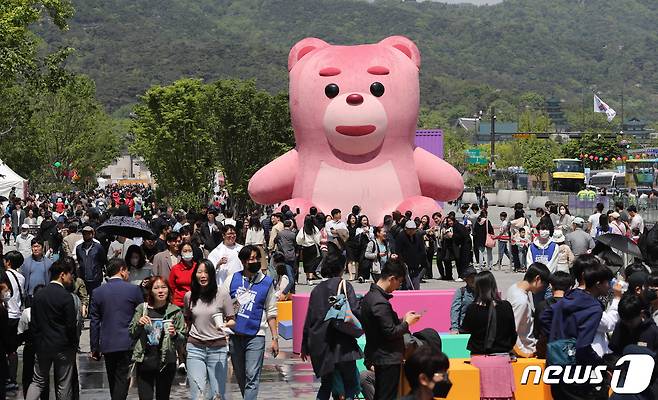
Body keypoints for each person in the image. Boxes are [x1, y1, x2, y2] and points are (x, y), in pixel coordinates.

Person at [540, 255, 613, 399]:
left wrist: (559, 341)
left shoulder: (569, 296)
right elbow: (583, 346)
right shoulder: (593, 308)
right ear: (598, 283)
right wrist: (602, 366)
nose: (609, 286)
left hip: (556, 366)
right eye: (607, 283)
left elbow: (545, 317)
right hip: (579, 373)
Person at [301, 244, 363, 400]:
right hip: (342, 344)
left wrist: (304, 346)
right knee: (350, 384)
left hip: (322, 344)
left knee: (326, 384)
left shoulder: (317, 289)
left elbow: (310, 318)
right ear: (341, 267)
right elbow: (354, 311)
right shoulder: (344, 285)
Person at [222, 245, 278, 400]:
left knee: (252, 375)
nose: (256, 261)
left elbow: (271, 312)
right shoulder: (232, 279)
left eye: (257, 258)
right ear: (243, 261)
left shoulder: (267, 283)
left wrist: (274, 338)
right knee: (241, 376)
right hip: (235, 334)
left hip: (256, 335)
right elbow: (221, 304)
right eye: (252, 259)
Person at [360, 259, 422, 399]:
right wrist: (406, 323)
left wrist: (403, 320)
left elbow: (383, 326)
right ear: (392, 278)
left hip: (380, 356)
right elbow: (390, 332)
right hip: (387, 358)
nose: (399, 285)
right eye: (399, 281)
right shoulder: (379, 302)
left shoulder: (370, 298)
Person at [89, 258, 144, 400]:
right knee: (122, 381)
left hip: (107, 343)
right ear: (122, 270)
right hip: (127, 342)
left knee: (113, 380)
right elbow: (141, 315)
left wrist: (94, 347)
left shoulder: (97, 292)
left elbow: (94, 322)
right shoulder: (134, 290)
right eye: (127, 271)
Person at [25, 260, 78, 400]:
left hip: (43, 346)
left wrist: (37, 342)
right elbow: (71, 325)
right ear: (62, 275)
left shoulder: (39, 295)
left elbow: (34, 324)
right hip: (63, 346)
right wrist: (73, 344)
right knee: (64, 384)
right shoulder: (66, 297)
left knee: (37, 382)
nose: (71, 277)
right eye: (69, 274)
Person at [460, 271, 517, 400]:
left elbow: (464, 329)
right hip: (502, 360)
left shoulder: (472, 309)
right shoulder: (506, 306)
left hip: (478, 360)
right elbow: (513, 333)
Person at [184, 260, 235, 400]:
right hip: (195, 347)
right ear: (195, 275)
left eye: (206, 272)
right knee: (198, 395)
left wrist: (224, 325)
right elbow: (187, 319)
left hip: (217, 348)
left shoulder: (222, 294)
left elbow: (232, 320)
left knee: (217, 395)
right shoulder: (189, 296)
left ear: (212, 275)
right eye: (199, 272)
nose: (203, 275)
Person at [129, 276, 186, 400]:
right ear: (150, 291)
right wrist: (139, 323)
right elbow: (132, 333)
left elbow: (183, 338)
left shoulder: (175, 311)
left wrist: (175, 334)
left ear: (168, 290)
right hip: (145, 360)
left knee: (163, 397)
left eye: (164, 287)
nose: (160, 291)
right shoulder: (142, 309)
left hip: (166, 361)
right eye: (156, 288)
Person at [506, 263, 550, 358]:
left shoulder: (514, 288)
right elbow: (512, 330)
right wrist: (523, 353)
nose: (543, 289)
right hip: (525, 351)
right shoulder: (521, 301)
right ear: (537, 279)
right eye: (544, 285)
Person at [534, 271, 574, 359]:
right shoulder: (574, 306)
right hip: (569, 351)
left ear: (551, 286)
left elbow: (537, 333)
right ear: (570, 287)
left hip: (546, 351)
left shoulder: (542, 306)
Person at [3, 251, 25, 392]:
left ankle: (7, 378)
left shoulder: (4, 276)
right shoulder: (21, 277)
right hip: (17, 315)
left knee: (5, 350)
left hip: (7, 316)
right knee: (13, 350)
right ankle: (12, 378)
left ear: (9, 262)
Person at [395, 220, 429, 290]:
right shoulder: (400, 236)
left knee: (415, 285)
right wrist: (402, 262)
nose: (411, 231)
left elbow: (422, 250)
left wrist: (422, 262)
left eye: (413, 229)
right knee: (406, 284)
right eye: (409, 229)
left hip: (416, 265)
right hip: (404, 265)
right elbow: (398, 251)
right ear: (405, 229)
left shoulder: (418, 236)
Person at [76, 226, 107, 301]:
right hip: (83, 279)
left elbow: (103, 260)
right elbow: (79, 261)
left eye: (88, 233)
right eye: (84, 233)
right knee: (83, 299)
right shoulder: (79, 248)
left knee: (95, 300)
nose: (86, 235)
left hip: (95, 279)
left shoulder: (98, 247)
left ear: (92, 234)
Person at [21, 239, 53, 306]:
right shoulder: (25, 263)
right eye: (33, 246)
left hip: (44, 295)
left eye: (38, 246)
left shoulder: (49, 263)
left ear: (42, 247)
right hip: (29, 296)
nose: (35, 249)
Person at [442, 215, 472, 281]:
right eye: (448, 221)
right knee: (461, 261)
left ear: (453, 220)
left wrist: (452, 235)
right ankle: (462, 276)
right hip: (462, 245)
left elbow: (462, 236)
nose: (449, 222)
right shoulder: (455, 226)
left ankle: (462, 276)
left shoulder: (458, 226)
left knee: (463, 261)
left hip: (465, 245)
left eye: (450, 221)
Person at [168, 242, 197, 308]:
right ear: (181, 252)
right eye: (185, 251)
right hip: (179, 303)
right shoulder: (175, 269)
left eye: (190, 251)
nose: (187, 252)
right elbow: (171, 287)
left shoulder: (197, 267)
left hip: (194, 302)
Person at [449, 265, 477, 333]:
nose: (473, 279)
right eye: (471, 277)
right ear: (465, 279)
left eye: (475, 277)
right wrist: (454, 328)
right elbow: (455, 310)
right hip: (464, 327)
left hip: (478, 327)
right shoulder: (461, 292)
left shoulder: (481, 291)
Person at [296, 215, 322, 283]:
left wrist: (301, 243)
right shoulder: (315, 228)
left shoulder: (303, 229)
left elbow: (299, 238)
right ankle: (310, 278)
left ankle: (308, 277)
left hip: (305, 248)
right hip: (313, 247)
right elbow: (318, 238)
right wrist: (319, 244)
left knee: (306, 263)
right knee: (312, 262)